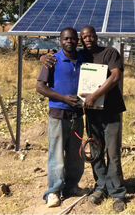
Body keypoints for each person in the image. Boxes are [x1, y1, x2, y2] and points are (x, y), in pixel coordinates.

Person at [41, 25, 127, 212]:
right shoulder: (81, 56)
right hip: (91, 112)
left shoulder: (109, 53)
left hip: (111, 111)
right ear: (81, 39)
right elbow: (61, 57)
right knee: (95, 151)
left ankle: (117, 193)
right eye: (84, 37)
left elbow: (116, 76)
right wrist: (44, 57)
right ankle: (100, 187)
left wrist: (94, 95)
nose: (88, 39)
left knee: (112, 153)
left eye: (91, 36)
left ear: (96, 37)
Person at [36, 27, 86, 208]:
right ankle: (53, 192)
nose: (70, 41)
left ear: (77, 41)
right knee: (56, 155)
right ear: (60, 40)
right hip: (58, 114)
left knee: (75, 154)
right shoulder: (52, 60)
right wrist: (63, 98)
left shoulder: (83, 59)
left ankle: (71, 186)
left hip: (77, 115)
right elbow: (40, 87)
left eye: (73, 39)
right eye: (66, 39)